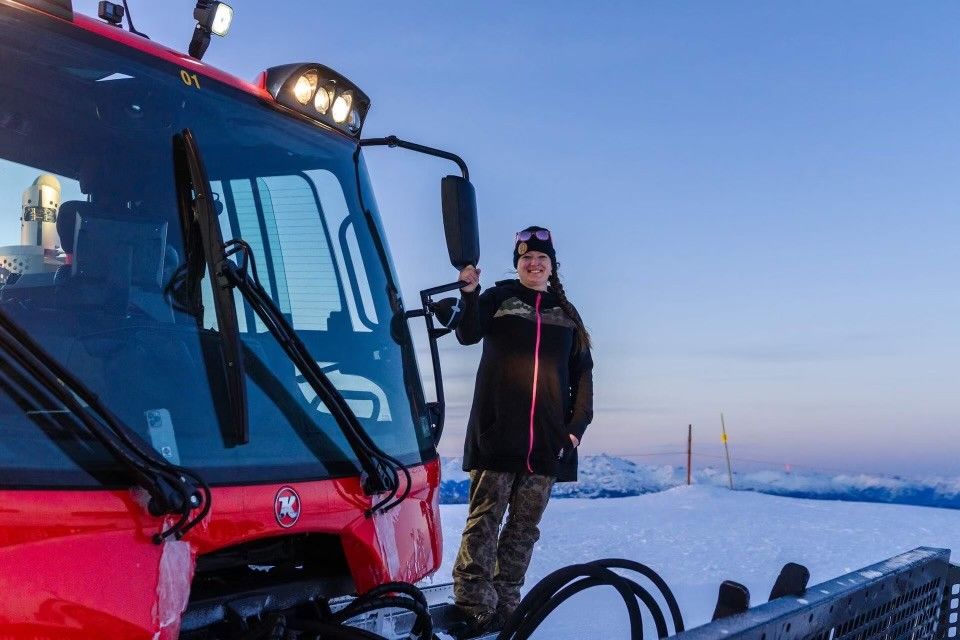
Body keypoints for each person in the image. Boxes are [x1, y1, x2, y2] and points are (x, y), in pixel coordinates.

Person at [451, 225, 594, 635]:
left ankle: (507, 602)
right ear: (517, 263)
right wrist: (469, 294)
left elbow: (582, 376)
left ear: (552, 266)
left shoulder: (566, 314)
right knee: (485, 520)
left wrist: (574, 428)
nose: (534, 263)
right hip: (497, 433)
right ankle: (474, 602)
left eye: (542, 258)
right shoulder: (498, 299)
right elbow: (467, 333)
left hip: (547, 442)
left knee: (524, 529)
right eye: (527, 257)